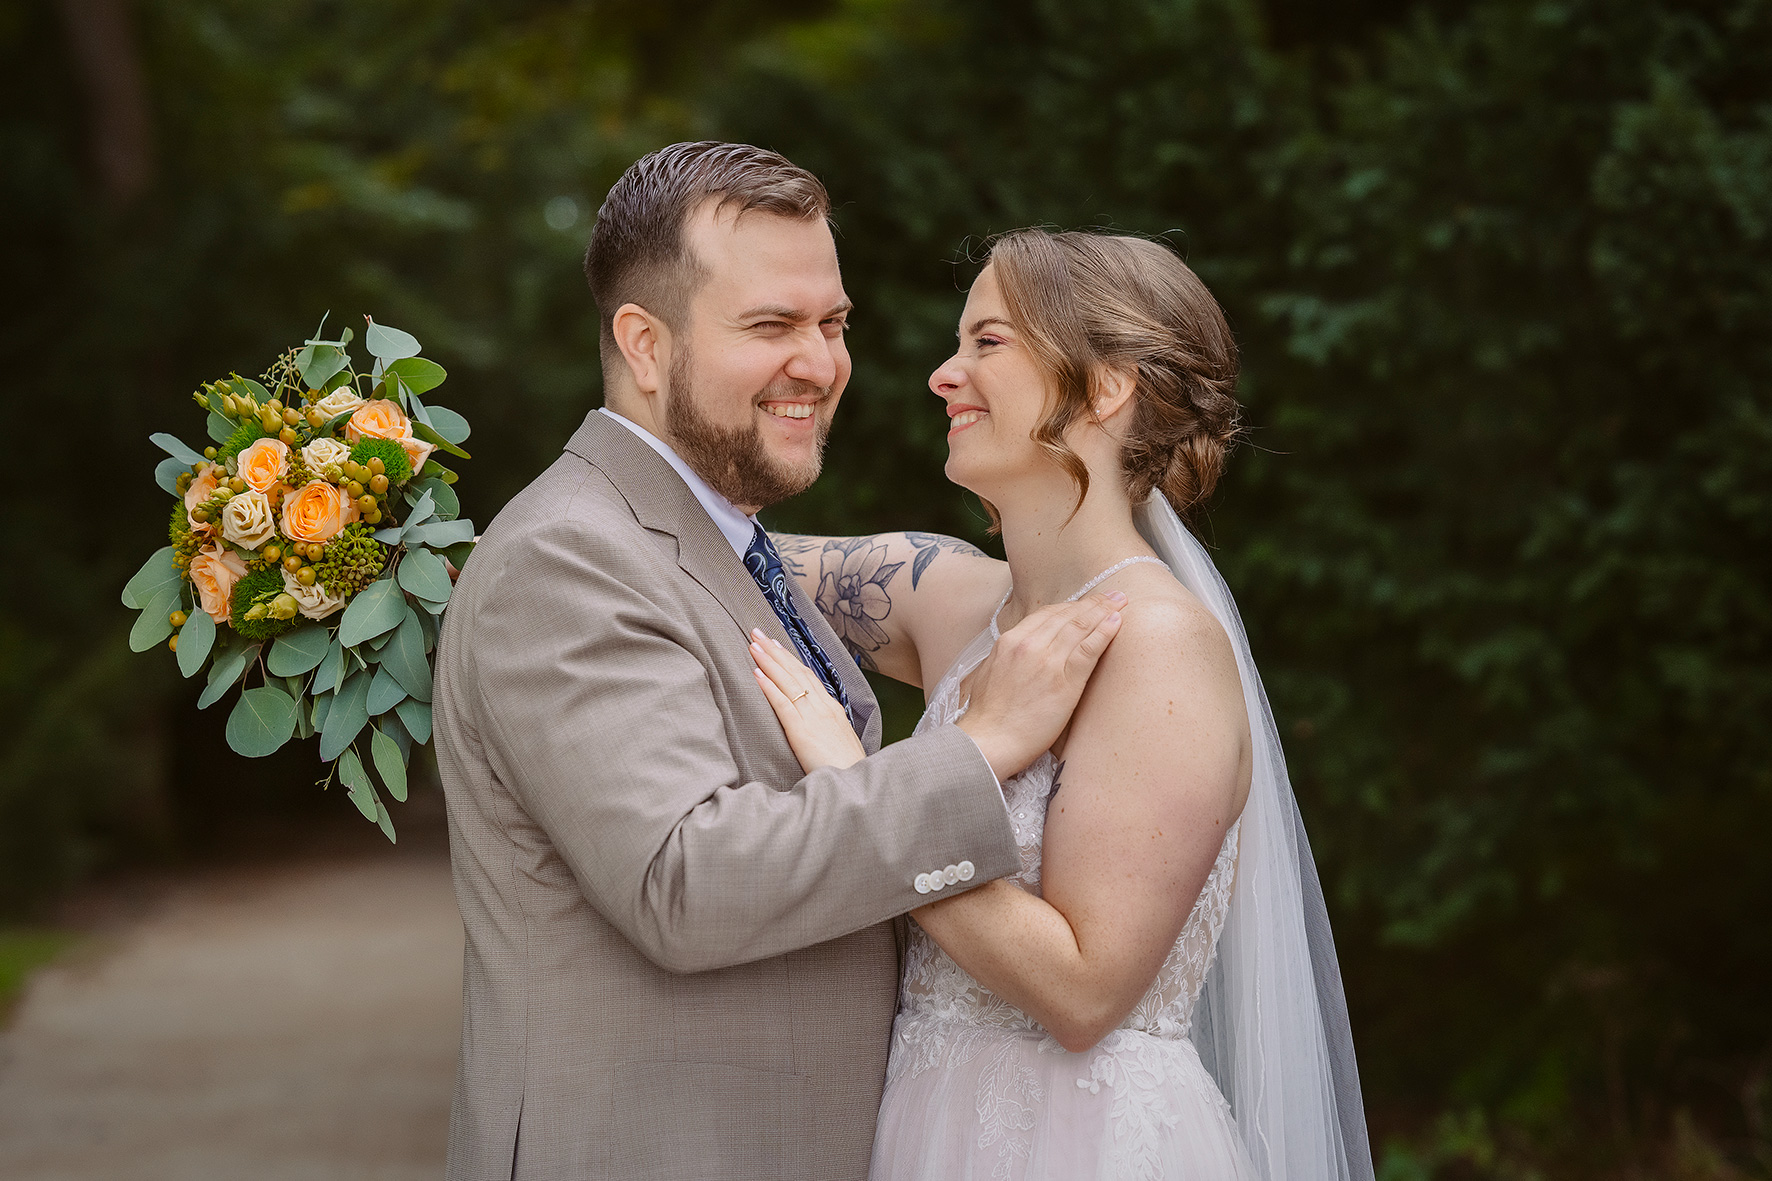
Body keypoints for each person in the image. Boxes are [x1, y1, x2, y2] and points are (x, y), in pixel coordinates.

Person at [432, 144, 1128, 1180]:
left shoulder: (718, 537)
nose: (821, 361)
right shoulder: (565, 557)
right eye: (771, 325)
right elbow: (685, 880)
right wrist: (976, 750)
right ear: (645, 344)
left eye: (832, 323)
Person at [755, 228, 1376, 1179]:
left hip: (1078, 1144)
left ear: (1104, 387)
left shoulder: (1158, 649)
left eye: (987, 343)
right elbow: (702, 552)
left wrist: (856, 786)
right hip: (924, 1125)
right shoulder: (951, 598)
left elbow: (1085, 989)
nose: (941, 375)